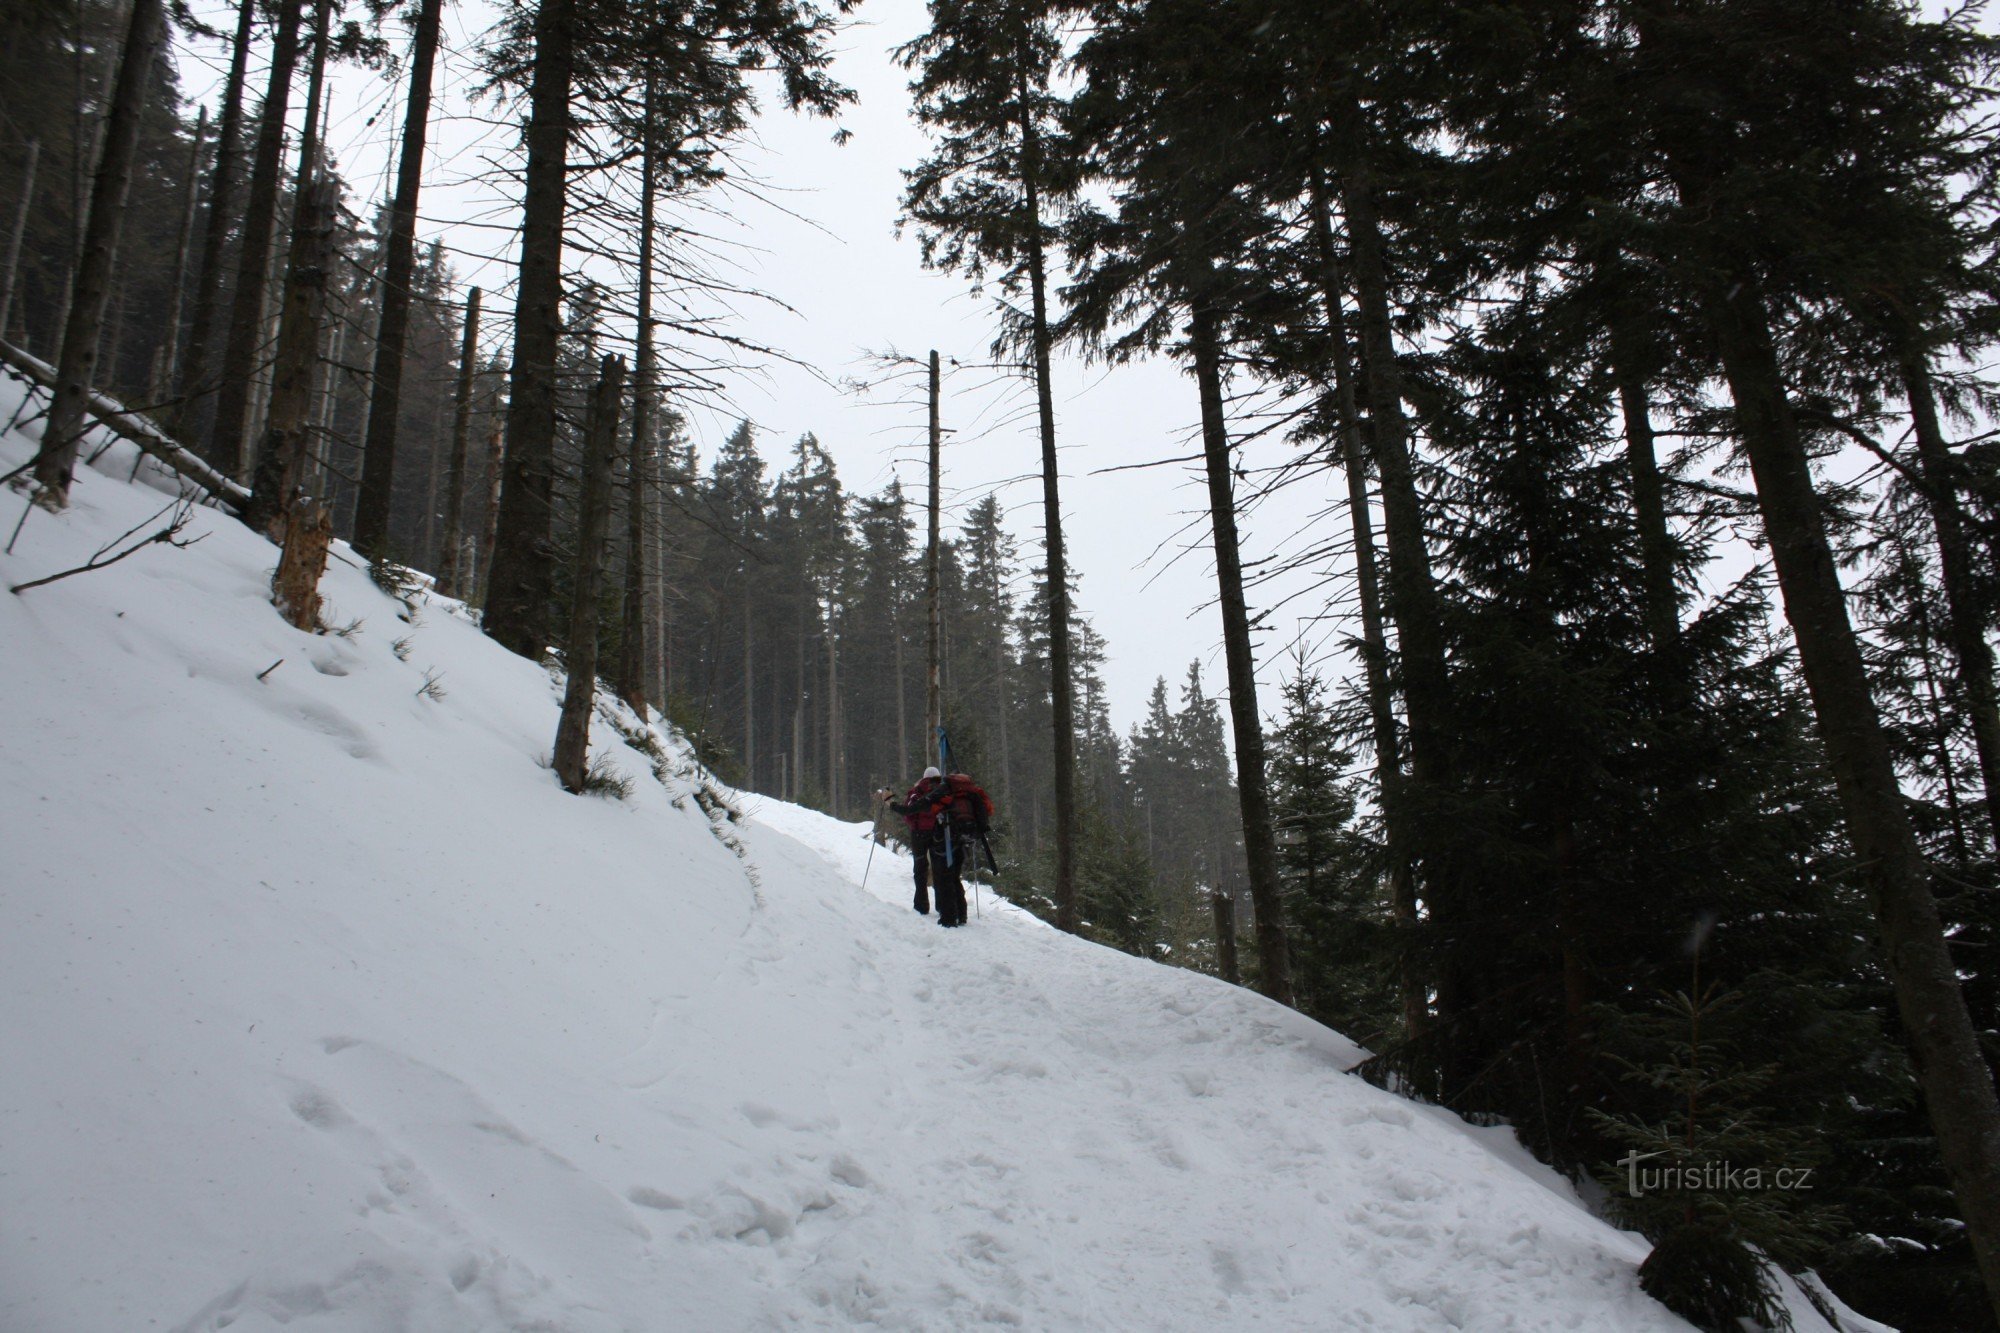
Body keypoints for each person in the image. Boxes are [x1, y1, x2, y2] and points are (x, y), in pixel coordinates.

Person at [880, 766, 971, 927]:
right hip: (939, 834)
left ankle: (921, 906)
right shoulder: (944, 790)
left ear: (924, 777)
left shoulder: (918, 790)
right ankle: (943, 906)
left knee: (920, 869)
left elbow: (908, 811)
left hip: (919, 834)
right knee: (939, 871)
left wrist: (890, 802)